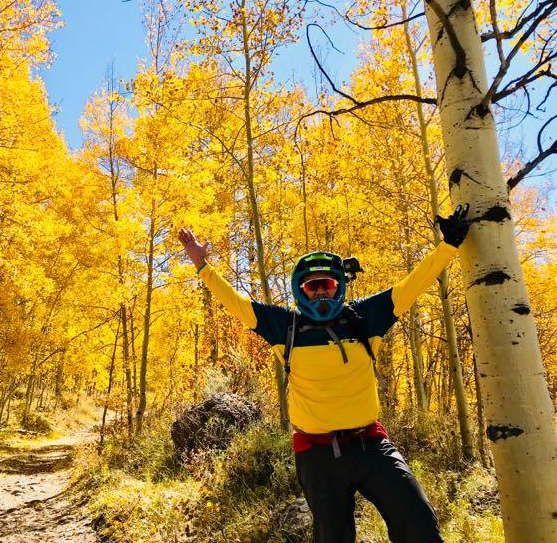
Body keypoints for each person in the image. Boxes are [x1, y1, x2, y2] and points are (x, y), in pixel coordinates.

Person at [178, 205, 471, 543]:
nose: (320, 292)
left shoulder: (363, 318)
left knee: (418, 522)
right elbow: (237, 303)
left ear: (338, 286)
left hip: (371, 445)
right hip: (316, 455)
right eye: (312, 286)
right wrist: (202, 265)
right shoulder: (285, 326)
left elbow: (410, 287)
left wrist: (449, 246)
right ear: (301, 290)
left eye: (327, 284)